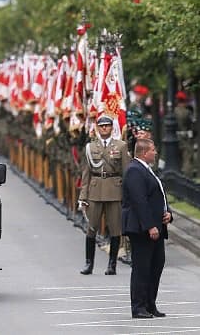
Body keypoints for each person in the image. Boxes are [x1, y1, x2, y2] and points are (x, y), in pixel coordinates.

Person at [122, 138, 172, 319]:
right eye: (153, 150)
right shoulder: (135, 170)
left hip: (156, 226)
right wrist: (150, 225)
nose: (156, 152)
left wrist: (168, 213)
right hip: (142, 229)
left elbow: (158, 195)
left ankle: (150, 304)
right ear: (144, 153)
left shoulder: (147, 170)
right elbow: (139, 201)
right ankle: (138, 307)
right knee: (142, 268)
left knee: (156, 264)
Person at [78, 114, 129, 275]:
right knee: (91, 228)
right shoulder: (90, 147)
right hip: (95, 191)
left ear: (112, 127)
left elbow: (126, 172)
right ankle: (88, 264)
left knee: (115, 230)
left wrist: (127, 195)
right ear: (97, 128)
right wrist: (82, 196)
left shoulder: (121, 146)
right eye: (101, 126)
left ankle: (112, 264)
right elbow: (85, 174)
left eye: (107, 125)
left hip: (114, 191)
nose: (104, 128)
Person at [174, 91, 195, 178]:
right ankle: (187, 177)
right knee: (187, 157)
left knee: (177, 157)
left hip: (175, 136)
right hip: (186, 136)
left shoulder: (173, 111)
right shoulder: (187, 112)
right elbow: (191, 124)